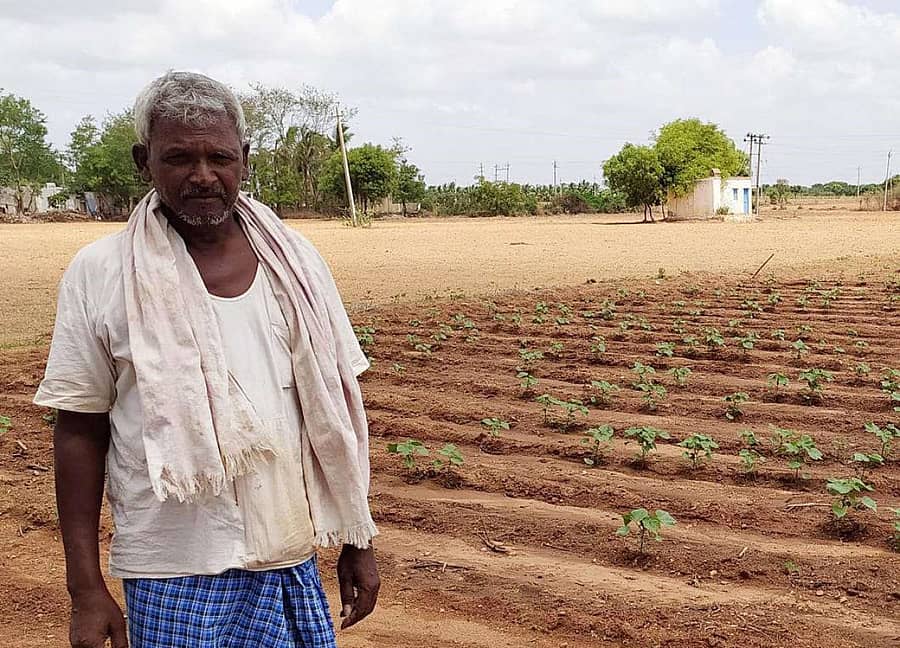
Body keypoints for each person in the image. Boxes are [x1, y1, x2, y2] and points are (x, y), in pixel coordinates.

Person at [34, 71, 380, 648]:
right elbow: (79, 427)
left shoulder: (297, 263)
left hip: (288, 554)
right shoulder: (101, 272)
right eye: (179, 158)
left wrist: (358, 538)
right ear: (144, 160)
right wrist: (85, 589)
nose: (202, 175)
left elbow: (337, 407)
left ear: (244, 158)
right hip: (171, 566)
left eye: (219, 157)